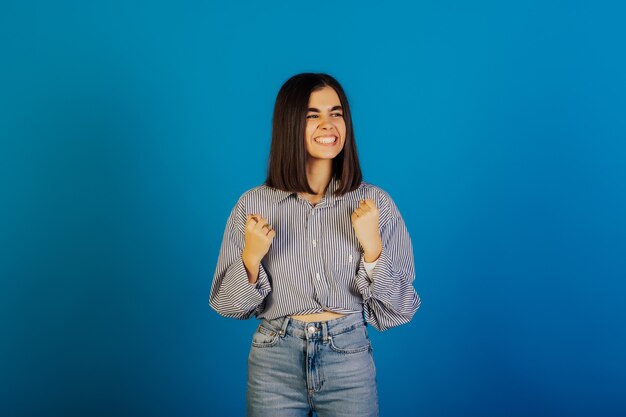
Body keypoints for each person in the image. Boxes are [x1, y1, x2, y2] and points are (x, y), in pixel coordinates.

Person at [209, 72, 421, 417]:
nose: (328, 124)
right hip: (273, 359)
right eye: (313, 115)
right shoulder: (253, 206)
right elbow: (228, 305)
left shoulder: (375, 203)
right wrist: (250, 257)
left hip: (348, 358)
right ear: (290, 124)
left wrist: (373, 250)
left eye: (336, 113)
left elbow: (399, 310)